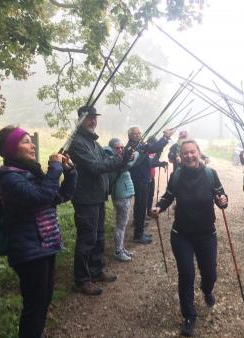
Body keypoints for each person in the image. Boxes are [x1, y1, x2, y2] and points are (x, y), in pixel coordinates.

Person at [0, 126, 77, 338]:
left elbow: (59, 196)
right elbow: (41, 197)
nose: (32, 146)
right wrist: (54, 169)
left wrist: (70, 172)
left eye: (31, 141)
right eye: (27, 142)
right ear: (11, 149)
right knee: (34, 306)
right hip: (28, 250)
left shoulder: (30, 173)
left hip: (44, 245)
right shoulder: (10, 178)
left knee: (42, 303)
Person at [150, 139, 228, 337]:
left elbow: (221, 196)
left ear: (199, 153)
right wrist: (159, 206)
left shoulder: (210, 174)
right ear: (180, 156)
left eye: (192, 152)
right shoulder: (177, 175)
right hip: (181, 234)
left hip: (206, 234)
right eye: (185, 153)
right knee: (186, 274)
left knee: (210, 273)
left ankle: (207, 288)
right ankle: (189, 315)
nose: (189, 156)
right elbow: (168, 196)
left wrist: (222, 201)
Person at [69, 106, 133, 295]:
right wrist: (119, 160)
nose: (93, 121)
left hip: (97, 196)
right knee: (86, 238)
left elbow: (108, 159)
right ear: (80, 120)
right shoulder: (77, 143)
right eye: (89, 118)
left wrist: (123, 157)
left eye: (95, 118)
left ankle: (96, 271)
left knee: (98, 236)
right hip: (85, 198)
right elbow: (96, 166)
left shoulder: (94, 143)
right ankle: (81, 279)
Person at [128, 126, 173, 245]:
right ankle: (138, 235)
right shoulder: (134, 147)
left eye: (139, 133)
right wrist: (165, 137)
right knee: (141, 205)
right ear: (130, 135)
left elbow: (151, 154)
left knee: (141, 206)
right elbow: (153, 148)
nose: (137, 135)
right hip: (139, 180)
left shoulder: (139, 145)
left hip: (143, 179)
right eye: (135, 133)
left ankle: (140, 231)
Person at [104, 138, 139, 262]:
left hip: (125, 194)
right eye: (117, 148)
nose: (120, 150)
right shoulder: (114, 161)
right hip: (121, 196)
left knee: (122, 224)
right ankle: (118, 251)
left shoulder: (118, 160)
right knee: (121, 225)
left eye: (121, 147)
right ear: (112, 149)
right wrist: (134, 154)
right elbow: (129, 163)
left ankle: (121, 248)